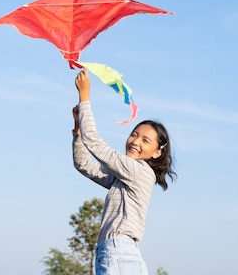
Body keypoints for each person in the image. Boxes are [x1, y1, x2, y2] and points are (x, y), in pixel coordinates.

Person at [72, 69, 176, 275]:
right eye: (134, 135)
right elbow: (83, 164)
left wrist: (85, 97)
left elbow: (95, 143)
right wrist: (77, 131)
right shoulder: (124, 177)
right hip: (120, 253)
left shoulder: (138, 171)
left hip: (119, 251)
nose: (135, 142)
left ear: (156, 152)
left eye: (145, 141)